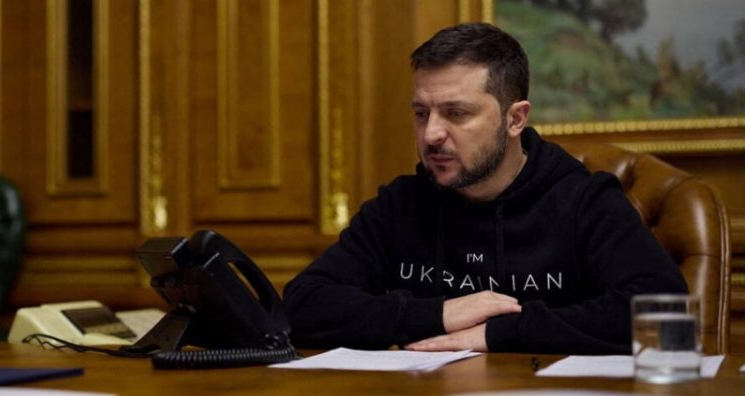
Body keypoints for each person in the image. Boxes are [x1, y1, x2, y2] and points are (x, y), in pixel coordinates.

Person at [282, 23, 687, 354]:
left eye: (456, 113)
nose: (431, 134)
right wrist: (439, 314)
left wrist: (502, 333)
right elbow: (302, 305)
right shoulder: (401, 204)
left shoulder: (583, 200)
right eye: (421, 113)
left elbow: (662, 309)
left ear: (515, 119)